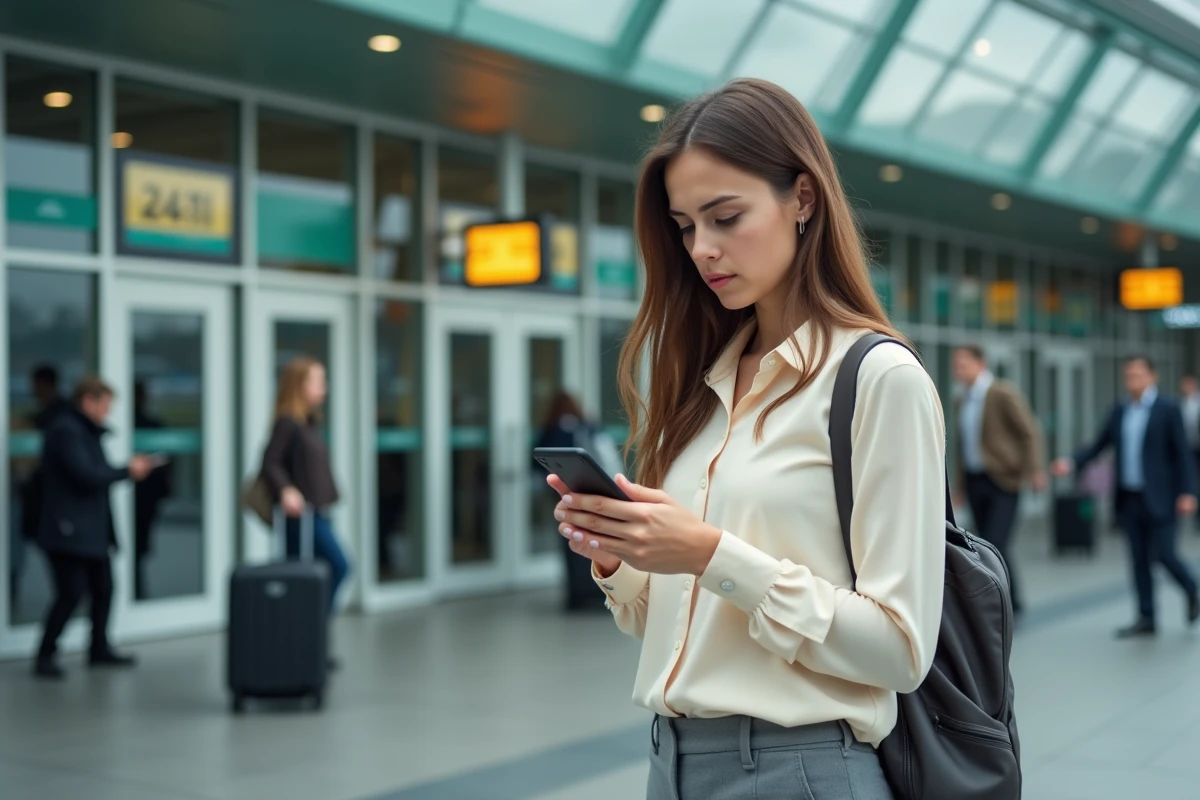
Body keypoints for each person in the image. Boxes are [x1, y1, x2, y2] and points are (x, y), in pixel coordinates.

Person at [546, 78, 945, 799]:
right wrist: (620, 558)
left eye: (726, 217)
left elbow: (900, 649)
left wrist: (710, 553)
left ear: (803, 198)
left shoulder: (879, 379)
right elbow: (676, 626)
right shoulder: (705, 384)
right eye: (684, 226)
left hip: (802, 769)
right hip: (672, 763)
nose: (703, 248)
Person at [1052, 355, 1199, 638]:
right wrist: (1071, 462)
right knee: (1138, 559)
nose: (1132, 380)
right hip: (1130, 498)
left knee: (1166, 555)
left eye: (1138, 375)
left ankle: (1191, 588)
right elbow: (1099, 445)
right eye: (1129, 375)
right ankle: (1146, 617)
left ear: (1152, 377)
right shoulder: (1120, 410)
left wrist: (1188, 492)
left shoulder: (1168, 409)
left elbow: (1183, 454)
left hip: (1162, 497)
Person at [34, 376, 155, 679]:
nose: (107, 413)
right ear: (88, 401)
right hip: (67, 530)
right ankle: (45, 654)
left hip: (90, 529)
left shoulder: (85, 432)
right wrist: (128, 471)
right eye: (105, 406)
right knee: (71, 593)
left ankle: (98, 648)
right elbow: (87, 475)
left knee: (103, 589)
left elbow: (95, 473)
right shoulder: (66, 431)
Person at [951, 345, 1045, 615]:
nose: (958, 370)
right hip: (975, 480)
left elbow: (1029, 431)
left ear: (981, 364)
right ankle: (1011, 599)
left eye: (964, 364)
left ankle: (1002, 602)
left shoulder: (1001, 393)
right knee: (986, 545)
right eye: (956, 366)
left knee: (996, 542)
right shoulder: (961, 400)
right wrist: (959, 487)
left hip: (1003, 479)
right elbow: (962, 447)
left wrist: (1034, 469)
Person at [261, 357, 351, 621]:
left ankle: (307, 631)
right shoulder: (288, 422)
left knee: (309, 575)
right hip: (302, 515)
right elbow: (270, 461)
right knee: (338, 565)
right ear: (299, 385)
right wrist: (286, 489)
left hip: (317, 511)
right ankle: (312, 629)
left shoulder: (308, 422)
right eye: (317, 381)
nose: (324, 387)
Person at [535, 390, 623, 611]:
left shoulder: (554, 430)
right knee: (592, 541)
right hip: (596, 493)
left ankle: (578, 595)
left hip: (569, 497)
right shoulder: (590, 427)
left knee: (574, 542)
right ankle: (596, 592)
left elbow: (535, 463)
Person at [132, 381, 173, 600]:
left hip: (145, 495)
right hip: (143, 495)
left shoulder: (152, 425)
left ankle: (135, 591)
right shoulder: (141, 424)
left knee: (138, 546)